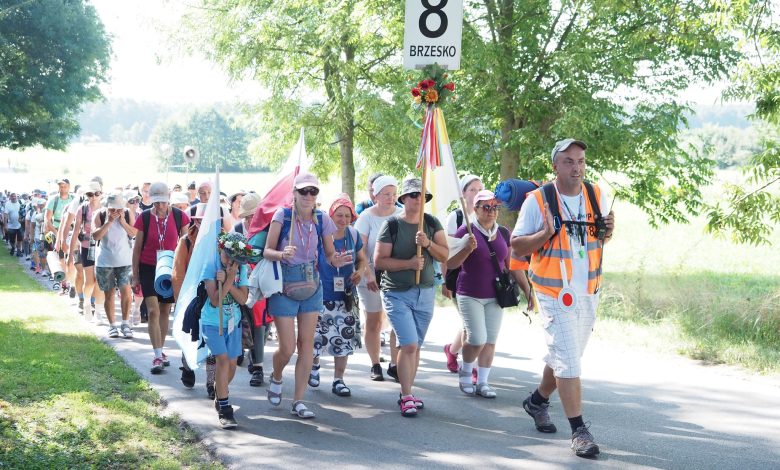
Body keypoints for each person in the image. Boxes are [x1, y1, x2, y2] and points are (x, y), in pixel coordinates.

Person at [511, 138, 614, 458]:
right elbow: (516, 247)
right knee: (569, 360)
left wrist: (608, 229)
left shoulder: (596, 195)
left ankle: (537, 402)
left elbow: (600, 239)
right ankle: (579, 431)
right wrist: (544, 233)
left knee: (565, 356)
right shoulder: (538, 200)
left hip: (588, 291)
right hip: (555, 292)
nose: (577, 167)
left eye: (581, 161)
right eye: (569, 161)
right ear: (555, 165)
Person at [263, 172, 351, 419]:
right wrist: (281, 254)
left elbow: (330, 253)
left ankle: (298, 401)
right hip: (285, 286)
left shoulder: (322, 219)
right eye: (303, 191)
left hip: (312, 285)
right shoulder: (283, 216)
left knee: (307, 346)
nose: (308, 196)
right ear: (295, 193)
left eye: (313, 191)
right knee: (288, 347)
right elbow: (266, 250)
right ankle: (277, 375)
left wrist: (337, 260)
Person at [374, 177, 448, 417]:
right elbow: (379, 261)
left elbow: (445, 255)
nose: (418, 199)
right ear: (403, 199)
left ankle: (408, 392)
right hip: (396, 293)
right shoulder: (392, 225)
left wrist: (427, 244)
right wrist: (409, 263)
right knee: (409, 344)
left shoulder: (432, 223)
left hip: (425, 292)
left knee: (416, 347)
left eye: (422, 196)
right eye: (414, 195)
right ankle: (406, 396)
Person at [446, 190, 512, 399]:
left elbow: (508, 263)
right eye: (486, 207)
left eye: (495, 207)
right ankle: (466, 371)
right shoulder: (465, 231)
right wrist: (466, 248)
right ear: (475, 209)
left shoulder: (502, 232)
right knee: (477, 338)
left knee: (490, 340)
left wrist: (526, 289)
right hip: (470, 293)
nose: (492, 211)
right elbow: (451, 264)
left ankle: (483, 381)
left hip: (495, 294)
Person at [309, 195, 367, 397]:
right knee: (317, 337)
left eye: (347, 215)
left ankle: (338, 379)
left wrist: (359, 272)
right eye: (339, 215)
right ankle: (314, 367)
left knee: (344, 338)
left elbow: (362, 260)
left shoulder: (353, 234)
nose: (343, 219)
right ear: (330, 215)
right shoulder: (321, 234)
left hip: (346, 295)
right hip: (321, 292)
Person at [132, 181, 190, 374]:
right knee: (153, 310)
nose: (159, 206)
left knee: (165, 310)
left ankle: (161, 349)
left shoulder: (180, 216)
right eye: (156, 202)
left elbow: (186, 245)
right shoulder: (144, 217)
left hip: (170, 267)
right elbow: (137, 248)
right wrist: (135, 275)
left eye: (162, 202)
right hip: (148, 266)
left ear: (169, 199)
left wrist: (186, 273)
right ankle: (157, 355)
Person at [201, 232, 254, 429]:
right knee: (222, 361)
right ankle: (225, 408)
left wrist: (230, 280)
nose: (231, 262)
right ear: (220, 250)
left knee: (232, 365)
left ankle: (219, 391)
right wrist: (226, 280)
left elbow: (242, 299)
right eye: (227, 256)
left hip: (234, 322)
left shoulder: (241, 269)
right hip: (213, 323)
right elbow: (215, 301)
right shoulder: (210, 266)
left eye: (236, 259)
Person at [354, 175, 403, 381]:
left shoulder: (402, 215)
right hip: (370, 274)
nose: (390, 198)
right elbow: (361, 250)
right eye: (386, 194)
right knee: (373, 321)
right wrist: (368, 274)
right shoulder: (366, 217)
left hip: (395, 275)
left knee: (396, 321)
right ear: (376, 195)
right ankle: (375, 364)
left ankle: (395, 363)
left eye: (393, 194)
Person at [442, 174, 484, 375]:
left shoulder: (486, 213)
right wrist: (444, 281)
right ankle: (473, 368)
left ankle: (452, 350)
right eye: (472, 190)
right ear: (463, 193)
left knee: (472, 324)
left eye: (479, 189)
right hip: (460, 277)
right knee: (471, 325)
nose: (476, 193)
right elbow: (447, 251)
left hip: (482, 278)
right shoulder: (456, 217)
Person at [92, 191, 137, 339]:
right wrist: (109, 221)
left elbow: (134, 233)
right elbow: (95, 236)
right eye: (113, 209)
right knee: (109, 294)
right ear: (107, 207)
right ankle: (112, 326)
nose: (116, 212)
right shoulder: (99, 214)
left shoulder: (128, 213)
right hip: (105, 261)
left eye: (119, 209)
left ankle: (125, 323)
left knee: (126, 292)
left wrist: (123, 222)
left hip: (125, 261)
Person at [69, 180, 103, 316]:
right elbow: (76, 230)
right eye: (90, 194)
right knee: (89, 280)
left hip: (102, 248)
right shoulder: (82, 209)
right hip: (86, 247)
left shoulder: (106, 207)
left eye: (96, 193)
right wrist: (70, 253)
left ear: (101, 193)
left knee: (99, 280)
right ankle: (86, 302)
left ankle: (95, 306)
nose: (93, 197)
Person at [2, 192, 22, 256]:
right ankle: (13, 247)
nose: (14, 197)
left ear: (16, 197)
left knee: (20, 239)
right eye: (12, 196)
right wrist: (5, 225)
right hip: (11, 225)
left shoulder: (20, 203)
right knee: (12, 240)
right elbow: (5, 215)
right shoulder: (8, 204)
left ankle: (18, 250)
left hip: (20, 225)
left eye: (15, 196)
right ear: (10, 197)